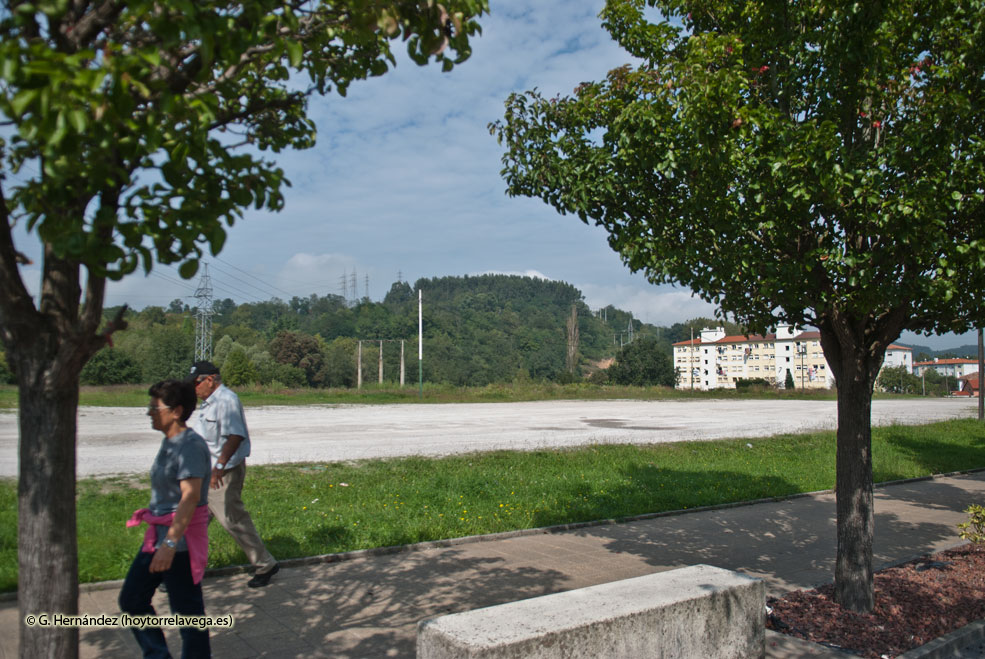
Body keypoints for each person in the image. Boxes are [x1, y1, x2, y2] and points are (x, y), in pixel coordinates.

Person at [119, 379, 211, 658]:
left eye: (154, 407)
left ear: (176, 411)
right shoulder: (170, 442)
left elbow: (190, 498)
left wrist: (170, 545)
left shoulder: (190, 446)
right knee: (132, 599)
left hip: (178, 543)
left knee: (188, 615)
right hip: (158, 539)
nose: (149, 413)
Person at [186, 361, 279, 587]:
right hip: (205, 473)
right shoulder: (209, 403)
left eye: (196, 383)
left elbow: (235, 436)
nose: (193, 388)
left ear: (210, 379)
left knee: (232, 519)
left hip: (223, 474)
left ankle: (265, 564)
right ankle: (180, 570)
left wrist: (219, 466)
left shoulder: (226, 401)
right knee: (190, 521)